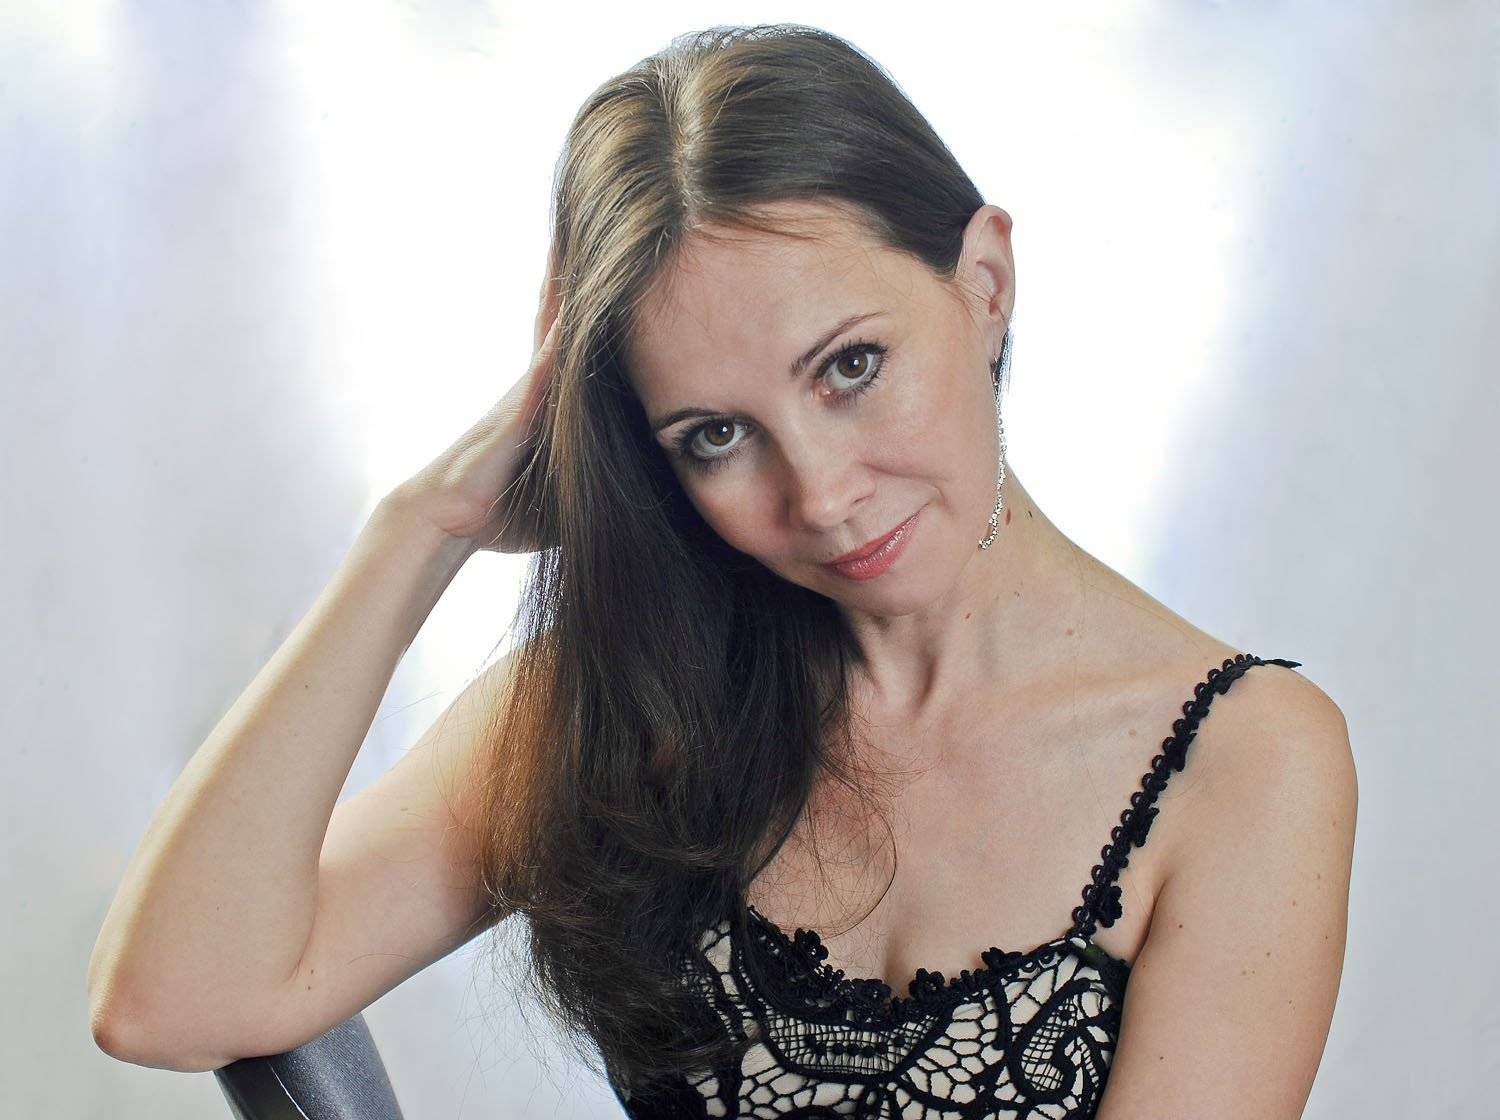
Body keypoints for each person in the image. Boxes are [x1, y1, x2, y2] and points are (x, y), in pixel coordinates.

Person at [88, 22, 1357, 1119]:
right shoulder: (621, 704)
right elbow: (170, 1000)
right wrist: (421, 526)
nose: (821, 492)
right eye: (715, 435)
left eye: (851, 367)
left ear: (984, 284)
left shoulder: (1249, 762)